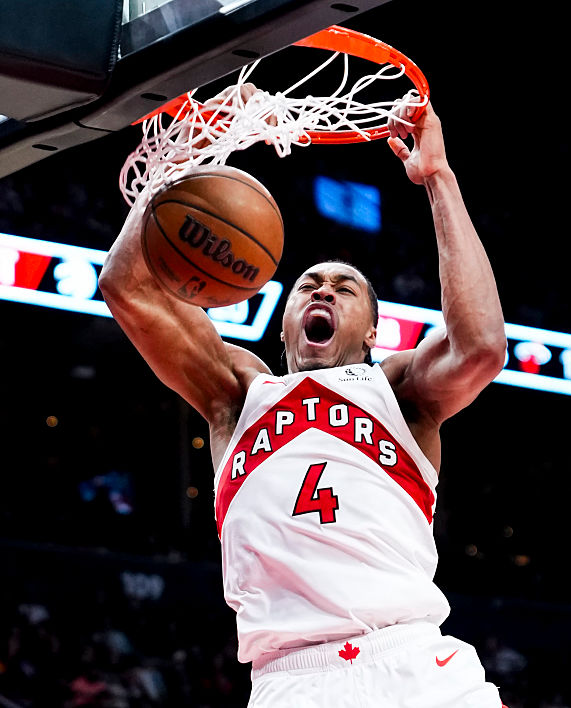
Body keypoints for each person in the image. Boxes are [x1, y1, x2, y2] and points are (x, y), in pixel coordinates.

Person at [98, 97, 508, 707]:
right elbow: (126, 288)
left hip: (412, 662)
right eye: (309, 285)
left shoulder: (398, 392)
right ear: (286, 321)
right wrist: (175, 166)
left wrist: (438, 178)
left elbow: (480, 347)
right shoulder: (237, 395)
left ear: (372, 332)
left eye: (345, 288)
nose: (324, 290)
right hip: (292, 679)